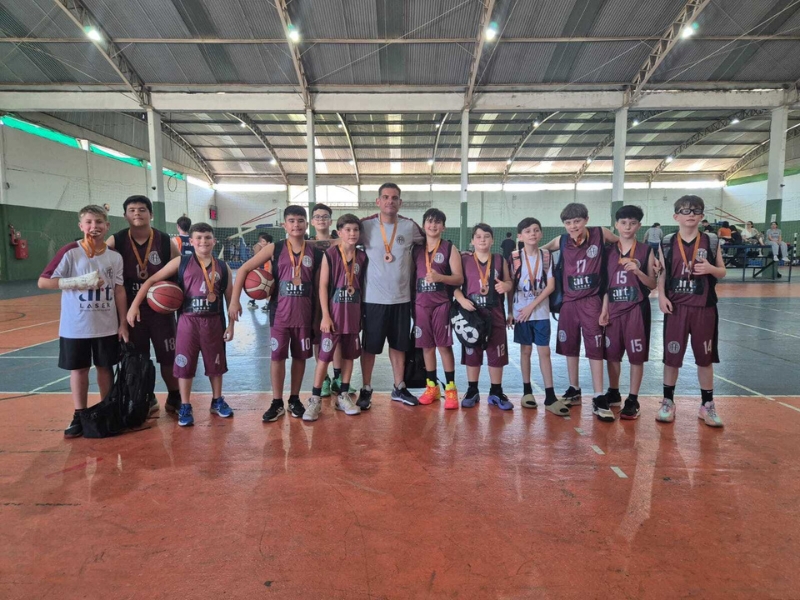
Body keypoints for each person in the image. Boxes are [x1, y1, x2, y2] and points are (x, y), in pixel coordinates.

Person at [127, 223, 234, 427]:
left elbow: (230, 299)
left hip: (213, 321)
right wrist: (134, 306)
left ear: (214, 241)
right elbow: (150, 281)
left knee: (216, 366)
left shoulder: (223, 266)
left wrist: (231, 326)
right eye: (199, 238)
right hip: (187, 321)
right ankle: (185, 405)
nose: (203, 241)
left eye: (207, 237)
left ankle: (217, 400)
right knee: (184, 365)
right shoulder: (181, 262)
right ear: (191, 241)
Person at [38, 205, 128, 438]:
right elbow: (44, 282)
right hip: (75, 327)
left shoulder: (114, 256)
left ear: (107, 226)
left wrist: (123, 323)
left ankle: (107, 410)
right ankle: (80, 414)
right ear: (81, 226)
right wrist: (78, 282)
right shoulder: (70, 251)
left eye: (99, 222)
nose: (93, 226)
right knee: (79, 370)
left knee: (105, 368)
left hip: (106, 325)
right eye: (89, 222)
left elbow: (119, 290)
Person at [229, 206, 323, 422]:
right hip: (280, 315)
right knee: (277, 357)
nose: (296, 225)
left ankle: (294, 399)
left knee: (300, 358)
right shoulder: (275, 248)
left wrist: (318, 317)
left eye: (300, 220)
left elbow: (319, 288)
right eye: (292, 221)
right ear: (284, 225)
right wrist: (234, 301)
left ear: (307, 224)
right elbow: (243, 269)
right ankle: (277, 401)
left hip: (304, 316)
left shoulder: (315, 253)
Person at [541, 203, 619, 422]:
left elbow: (623, 243)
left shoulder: (601, 233)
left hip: (592, 301)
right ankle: (574, 389)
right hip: (569, 302)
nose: (573, 226)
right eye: (568, 223)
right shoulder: (561, 240)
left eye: (577, 221)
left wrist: (649, 258)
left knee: (595, 348)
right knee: (570, 347)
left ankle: (599, 395)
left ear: (586, 220)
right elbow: (540, 250)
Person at [107, 195, 181, 414]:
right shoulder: (116, 240)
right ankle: (146, 398)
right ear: (125, 215)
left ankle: (175, 397)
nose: (137, 213)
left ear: (151, 214)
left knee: (168, 356)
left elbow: (180, 268)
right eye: (132, 210)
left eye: (142, 209)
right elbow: (100, 263)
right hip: (131, 309)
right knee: (137, 357)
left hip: (161, 310)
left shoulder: (164, 240)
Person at [657, 195, 726, 427]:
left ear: (702, 216)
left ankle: (707, 405)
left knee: (704, 359)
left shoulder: (711, 241)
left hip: (703, 308)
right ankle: (668, 401)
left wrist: (710, 268)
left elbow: (722, 271)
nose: (691, 214)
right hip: (676, 307)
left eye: (696, 211)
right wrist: (661, 295)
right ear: (676, 216)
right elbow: (662, 272)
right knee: (672, 358)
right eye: (685, 211)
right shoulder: (667, 242)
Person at [357, 183, 425, 410]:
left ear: (400, 202)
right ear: (378, 201)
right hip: (373, 299)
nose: (390, 201)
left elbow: (430, 243)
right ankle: (366, 388)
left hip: (401, 299)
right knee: (370, 347)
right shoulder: (365, 226)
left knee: (399, 345)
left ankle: (399, 387)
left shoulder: (409, 226)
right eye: (385, 197)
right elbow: (343, 243)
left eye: (394, 198)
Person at [303, 214, 366, 421]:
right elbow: (322, 286)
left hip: (353, 315)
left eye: (355, 230)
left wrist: (362, 315)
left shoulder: (362, 257)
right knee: (324, 358)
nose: (352, 233)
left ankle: (343, 396)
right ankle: (314, 399)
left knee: (349, 357)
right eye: (347, 230)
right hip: (334, 316)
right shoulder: (330, 255)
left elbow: (363, 287)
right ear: (339, 233)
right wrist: (325, 316)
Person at [599, 205, 656, 420]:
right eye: (623, 223)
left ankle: (633, 398)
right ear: (616, 225)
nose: (627, 227)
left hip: (636, 308)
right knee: (612, 354)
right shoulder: (607, 251)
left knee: (636, 356)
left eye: (632, 223)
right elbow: (605, 285)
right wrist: (604, 309)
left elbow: (652, 283)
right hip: (614, 308)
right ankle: (614, 392)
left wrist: (638, 272)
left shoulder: (646, 250)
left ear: (639, 226)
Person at [508, 218, 568, 416]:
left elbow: (550, 286)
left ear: (541, 234)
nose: (532, 234)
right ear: (520, 236)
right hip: (520, 312)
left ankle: (550, 395)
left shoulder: (547, 256)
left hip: (540, 312)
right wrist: (510, 311)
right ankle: (527, 392)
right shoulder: (514, 257)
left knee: (544, 352)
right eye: (527, 231)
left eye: (536, 230)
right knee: (525, 351)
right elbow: (510, 286)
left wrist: (531, 306)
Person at [454, 223, 514, 410]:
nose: (482, 240)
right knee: (472, 352)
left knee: (497, 353)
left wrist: (506, 286)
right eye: (478, 237)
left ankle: (496, 391)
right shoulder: (464, 260)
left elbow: (509, 282)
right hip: (472, 313)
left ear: (493, 240)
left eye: (486, 236)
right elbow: (454, 285)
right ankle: (472, 390)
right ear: (472, 241)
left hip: (495, 312)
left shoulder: (499, 260)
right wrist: (461, 299)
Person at [413, 208, 464, 409]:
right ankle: (431, 387)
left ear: (443, 227)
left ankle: (450, 389)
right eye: (429, 221)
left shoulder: (450, 248)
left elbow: (459, 278)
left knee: (444, 346)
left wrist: (440, 277)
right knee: (427, 347)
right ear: (423, 225)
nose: (433, 225)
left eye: (437, 222)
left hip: (441, 303)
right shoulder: (416, 249)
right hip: (421, 304)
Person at [308, 203, 342, 397]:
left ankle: (338, 376)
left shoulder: (340, 242)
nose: (321, 219)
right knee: (318, 338)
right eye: (317, 216)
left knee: (337, 334)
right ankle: (325, 378)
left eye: (325, 216)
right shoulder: (306, 244)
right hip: (314, 297)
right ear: (312, 222)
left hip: (337, 296)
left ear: (331, 221)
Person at [247, 231, 273, 311]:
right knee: (261, 287)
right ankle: (254, 301)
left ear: (268, 242)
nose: (261, 243)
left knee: (266, 288)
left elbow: (270, 263)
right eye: (261, 241)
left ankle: (267, 304)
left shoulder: (270, 250)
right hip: (263, 271)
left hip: (268, 272)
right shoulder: (262, 248)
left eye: (263, 241)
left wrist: (269, 273)